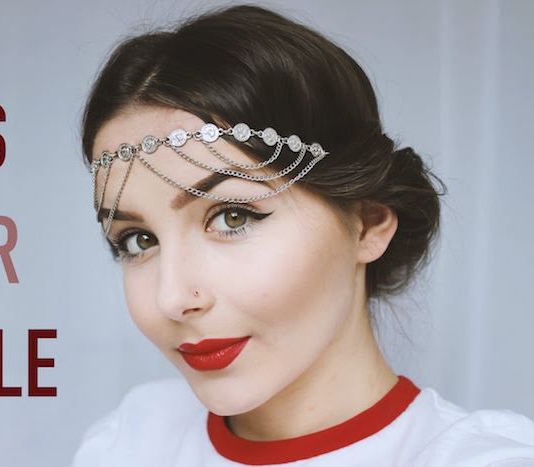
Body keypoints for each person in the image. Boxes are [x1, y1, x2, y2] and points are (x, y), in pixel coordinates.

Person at [73, 5, 534, 466]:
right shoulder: (127, 443)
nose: (172, 298)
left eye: (233, 218)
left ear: (367, 223)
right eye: (138, 240)